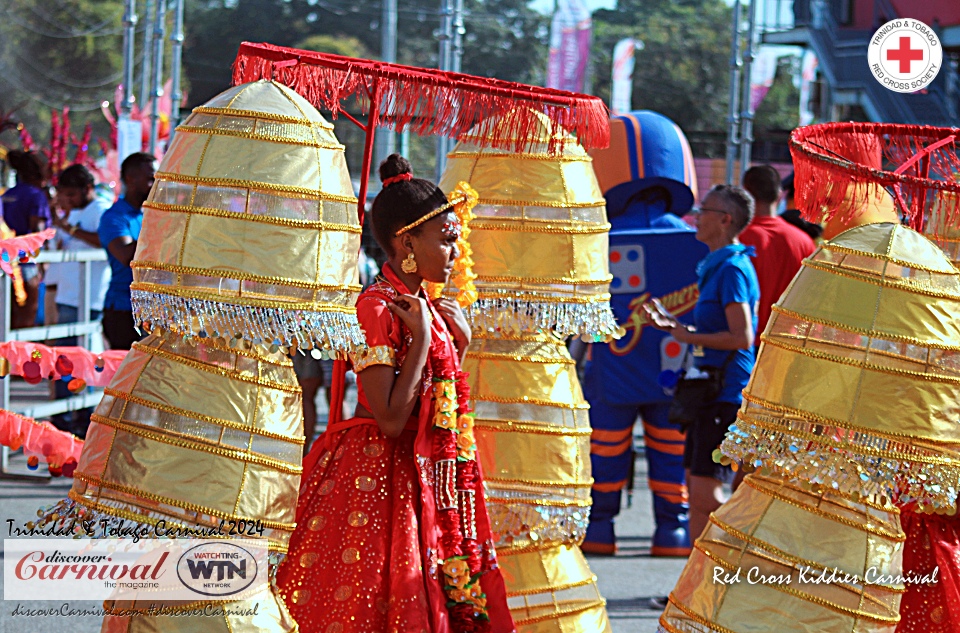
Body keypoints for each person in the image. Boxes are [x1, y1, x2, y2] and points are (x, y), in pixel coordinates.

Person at [277, 155, 513, 633]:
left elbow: (438, 398)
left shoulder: (425, 303)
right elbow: (387, 416)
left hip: (426, 469)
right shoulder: (375, 307)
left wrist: (458, 346)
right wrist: (425, 340)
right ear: (407, 242)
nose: (456, 251)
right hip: (380, 473)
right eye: (447, 239)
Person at [644, 184, 759, 540]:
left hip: (723, 394)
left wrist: (687, 336)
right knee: (697, 495)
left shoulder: (732, 269)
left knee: (707, 496)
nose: (695, 217)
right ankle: (693, 591)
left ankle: (725, 574)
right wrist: (679, 328)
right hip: (709, 393)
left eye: (703, 211)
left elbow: (742, 337)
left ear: (724, 220)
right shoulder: (718, 266)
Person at [46, 164, 111, 437]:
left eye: (72, 195)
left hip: (90, 297)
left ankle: (83, 413)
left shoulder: (100, 211)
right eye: (64, 195)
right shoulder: (69, 214)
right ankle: (63, 412)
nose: (68, 201)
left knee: (83, 357)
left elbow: (103, 240)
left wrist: (69, 228)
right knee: (64, 356)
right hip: (67, 294)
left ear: (86, 190)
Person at [739, 165, 816, 337]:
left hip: (743, 341)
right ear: (779, 194)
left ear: (745, 194)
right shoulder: (804, 242)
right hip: (784, 341)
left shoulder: (736, 238)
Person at [98, 152, 154, 350]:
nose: (156, 185)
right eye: (150, 179)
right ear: (131, 179)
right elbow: (125, 255)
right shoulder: (114, 217)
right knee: (123, 376)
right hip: (123, 311)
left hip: (150, 309)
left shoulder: (146, 213)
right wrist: (159, 225)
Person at [2, 150, 51, 328]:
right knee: (27, 316)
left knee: (8, 317)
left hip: (6, 260)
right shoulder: (36, 196)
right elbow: (37, 232)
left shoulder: (7, 194)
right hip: (27, 263)